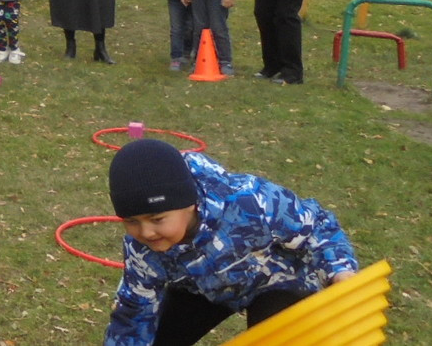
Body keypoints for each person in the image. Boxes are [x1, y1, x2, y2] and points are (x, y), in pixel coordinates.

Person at [104, 138, 359, 346]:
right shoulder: (142, 249)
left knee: (276, 339)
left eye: (157, 219)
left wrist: (340, 270)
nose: (146, 233)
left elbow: (317, 227)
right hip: (202, 288)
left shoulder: (252, 202)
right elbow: (133, 310)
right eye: (131, 221)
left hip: (276, 281)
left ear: (189, 204)